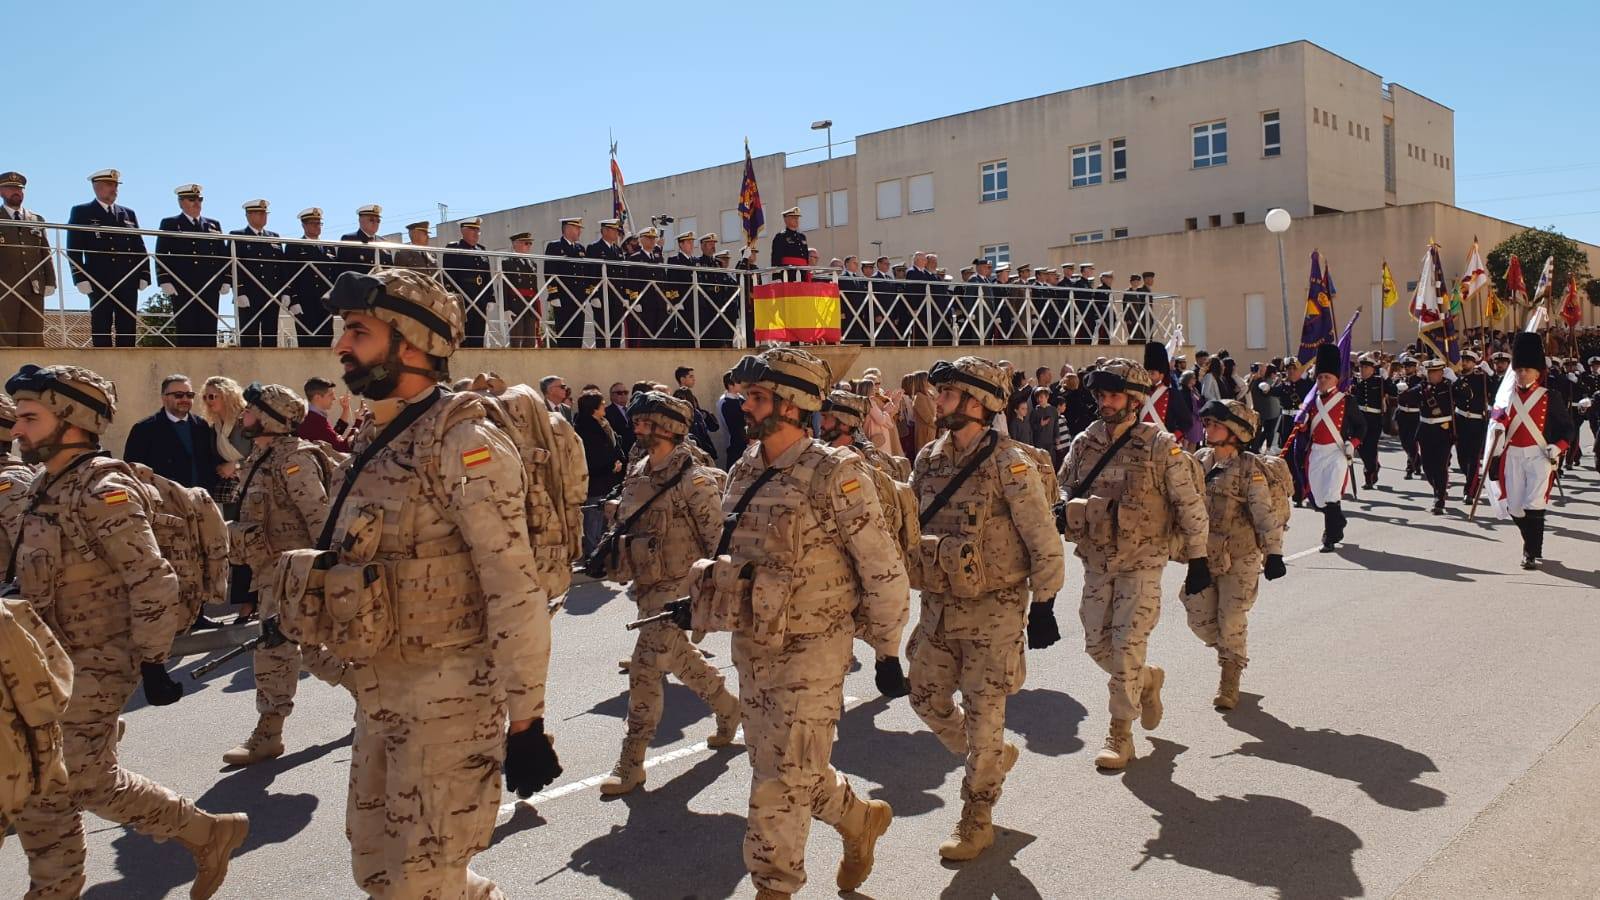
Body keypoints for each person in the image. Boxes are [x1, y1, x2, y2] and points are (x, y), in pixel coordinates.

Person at [317, 267, 560, 897]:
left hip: (449, 705)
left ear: (412, 344)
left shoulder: (464, 443)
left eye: (358, 332)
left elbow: (514, 588)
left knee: (420, 883)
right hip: (379, 696)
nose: (341, 346)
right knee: (375, 870)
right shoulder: (375, 437)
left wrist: (526, 722)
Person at [6, 364, 249, 899]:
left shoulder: (103, 488)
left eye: (29, 417)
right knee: (45, 787)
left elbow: (153, 581)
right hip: (53, 662)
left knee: (79, 778)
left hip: (97, 662)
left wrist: (152, 661)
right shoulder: (47, 485)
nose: (17, 429)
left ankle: (206, 832)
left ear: (71, 420)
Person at [695, 348, 906, 898]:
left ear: (792, 406)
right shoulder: (744, 468)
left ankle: (774, 886)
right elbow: (736, 553)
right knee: (787, 768)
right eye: (747, 396)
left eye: (758, 397)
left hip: (815, 649)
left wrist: (887, 650)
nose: (745, 406)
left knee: (778, 782)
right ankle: (860, 820)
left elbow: (882, 567)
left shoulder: (836, 474)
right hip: (755, 646)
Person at [908, 356, 1064, 860]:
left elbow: (1042, 535)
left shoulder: (1009, 462)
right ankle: (992, 758)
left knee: (983, 715)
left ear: (977, 403)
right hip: (938, 604)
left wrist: (1045, 603)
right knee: (924, 697)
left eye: (948, 394)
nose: (939, 402)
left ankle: (977, 814)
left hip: (994, 608)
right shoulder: (928, 459)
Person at [1057, 358, 1210, 770]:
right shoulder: (1086, 441)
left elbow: (1190, 504)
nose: (1105, 403)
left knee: (1125, 647)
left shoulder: (1162, 447)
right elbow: (1065, 485)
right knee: (1095, 643)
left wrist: (1199, 559)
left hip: (1142, 563)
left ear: (1134, 399)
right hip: (1097, 562)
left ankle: (1120, 734)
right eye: (1101, 395)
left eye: (1113, 395)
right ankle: (1147, 679)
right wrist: (1062, 507)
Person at [597, 391, 739, 795]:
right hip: (647, 583)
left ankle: (632, 760)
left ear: (669, 428)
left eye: (645, 423)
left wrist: (705, 595)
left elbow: (716, 541)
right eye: (638, 422)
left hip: (678, 587)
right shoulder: (640, 470)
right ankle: (729, 707)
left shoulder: (693, 479)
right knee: (676, 657)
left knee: (645, 667)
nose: (637, 428)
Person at [219, 383, 348, 765]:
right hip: (269, 571)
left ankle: (269, 732)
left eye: (250, 411)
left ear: (270, 417)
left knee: (273, 648)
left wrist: (322, 575)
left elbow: (319, 519)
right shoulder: (261, 456)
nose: (244, 416)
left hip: (293, 573)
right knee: (311, 651)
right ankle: (370, 693)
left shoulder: (294, 460)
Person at [1186, 400, 1287, 710]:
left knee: (1231, 617)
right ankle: (1232, 652)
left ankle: (1230, 677)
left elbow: (1263, 513)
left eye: (1215, 424)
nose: (1208, 429)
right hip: (1204, 556)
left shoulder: (1249, 469)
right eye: (1207, 423)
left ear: (1235, 433)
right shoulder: (1199, 461)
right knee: (1198, 615)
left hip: (1241, 557)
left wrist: (1274, 554)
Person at [1489, 332, 1574, 569]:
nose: (1523, 373)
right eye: (1519, 370)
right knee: (1515, 506)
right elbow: (1497, 424)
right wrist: (1497, 422)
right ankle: (1531, 542)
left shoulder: (1550, 397)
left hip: (1539, 455)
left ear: (1538, 372)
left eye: (1528, 369)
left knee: (1534, 504)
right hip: (1513, 456)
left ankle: (1531, 552)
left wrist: (1557, 447)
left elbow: (1568, 429)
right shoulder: (1505, 398)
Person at [66, 169, 147, 347]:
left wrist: (144, 274)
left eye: (116, 186)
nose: (114, 189)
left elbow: (139, 247)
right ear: (97, 187)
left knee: (127, 324)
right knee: (101, 322)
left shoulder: (127, 214)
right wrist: (79, 277)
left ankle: (127, 361)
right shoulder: (82, 212)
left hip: (127, 277)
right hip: (98, 277)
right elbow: (73, 249)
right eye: (110, 185)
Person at [1301, 344, 1365, 551]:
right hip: (1317, 453)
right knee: (1319, 498)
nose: (1321, 380)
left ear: (1336, 379)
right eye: (1319, 377)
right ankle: (1338, 522)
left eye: (1326, 377)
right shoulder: (1311, 403)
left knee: (1331, 495)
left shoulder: (1347, 401)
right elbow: (1306, 428)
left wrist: (1352, 443)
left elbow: (1361, 426)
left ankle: (1330, 536)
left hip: (1336, 452)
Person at [155, 184, 228, 347]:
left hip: (209, 285)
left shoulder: (213, 225)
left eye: (199, 199)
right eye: (192, 199)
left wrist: (225, 280)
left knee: (209, 329)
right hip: (182, 284)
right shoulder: (170, 224)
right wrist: (164, 280)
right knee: (186, 328)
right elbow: (160, 254)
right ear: (181, 203)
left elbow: (223, 255)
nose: (197, 203)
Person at [123, 374, 222, 494]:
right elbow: (133, 471)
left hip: (201, 501)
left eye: (189, 395)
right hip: (165, 503)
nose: (185, 399)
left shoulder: (202, 426)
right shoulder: (144, 429)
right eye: (178, 395)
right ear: (164, 398)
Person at [0, 171, 55, 346]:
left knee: (33, 334)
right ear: (1, 192)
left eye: (19, 189)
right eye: (10, 188)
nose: (16, 192)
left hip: (34, 286)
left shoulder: (36, 219)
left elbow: (45, 252)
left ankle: (33, 372)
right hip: (5, 286)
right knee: (5, 334)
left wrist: (50, 281)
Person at [230, 199, 288, 347]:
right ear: (249, 215)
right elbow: (232, 266)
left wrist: (285, 291)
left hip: (271, 294)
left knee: (271, 338)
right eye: (259, 213)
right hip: (249, 295)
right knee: (249, 338)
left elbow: (282, 268)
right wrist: (239, 290)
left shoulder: (274, 237)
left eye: (265, 213)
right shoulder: (237, 236)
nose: (264, 216)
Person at [576, 390, 625, 554]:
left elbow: (614, 444)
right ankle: (593, 554)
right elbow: (593, 455)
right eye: (602, 403)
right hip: (596, 480)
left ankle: (602, 553)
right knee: (593, 519)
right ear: (594, 407)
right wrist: (611, 464)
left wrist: (618, 460)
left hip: (609, 479)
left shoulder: (603, 423)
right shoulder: (584, 427)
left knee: (606, 519)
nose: (605, 405)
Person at [284, 207, 339, 346]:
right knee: (307, 342)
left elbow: (334, 274)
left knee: (326, 339)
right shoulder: (294, 247)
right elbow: (289, 274)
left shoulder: (328, 247)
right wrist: (293, 300)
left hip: (325, 301)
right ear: (304, 225)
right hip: (304, 301)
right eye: (313, 223)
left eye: (319, 223)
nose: (317, 226)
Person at [198, 376, 249, 510]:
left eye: (212, 396)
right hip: (229, 490)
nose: (208, 401)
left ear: (227, 396)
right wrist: (221, 468)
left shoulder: (246, 420)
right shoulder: (214, 427)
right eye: (205, 397)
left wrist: (237, 465)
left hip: (255, 484)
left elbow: (265, 451)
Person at [1414, 360, 1456, 514]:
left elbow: (1467, 396)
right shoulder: (1423, 387)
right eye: (1429, 372)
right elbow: (1407, 398)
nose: (1431, 375)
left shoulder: (1449, 387)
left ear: (1441, 373)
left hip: (1443, 431)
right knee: (1427, 467)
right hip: (1425, 430)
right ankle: (1438, 489)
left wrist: (1456, 381)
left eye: (1434, 372)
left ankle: (1439, 498)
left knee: (1441, 465)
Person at [443, 217, 492, 347]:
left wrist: (490, 297)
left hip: (480, 297)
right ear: (463, 231)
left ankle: (478, 365)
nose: (476, 234)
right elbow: (448, 275)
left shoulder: (482, 250)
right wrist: (451, 295)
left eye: (478, 231)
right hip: (463, 298)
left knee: (479, 335)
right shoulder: (454, 248)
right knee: (464, 336)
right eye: (473, 230)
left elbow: (487, 276)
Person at [1349, 354, 1393, 490]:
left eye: (1366, 367)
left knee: (1371, 447)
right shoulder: (1355, 382)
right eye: (1361, 367)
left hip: (1374, 419)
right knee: (1361, 448)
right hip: (1359, 419)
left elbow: (1394, 392)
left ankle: (1369, 476)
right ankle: (1374, 466)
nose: (1362, 370)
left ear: (1373, 369)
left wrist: (1387, 379)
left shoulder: (1379, 382)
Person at [543, 217, 588, 348]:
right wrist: (553, 295)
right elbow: (549, 271)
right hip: (563, 297)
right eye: (577, 228)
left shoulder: (581, 248)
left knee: (578, 333)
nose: (579, 232)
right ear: (567, 229)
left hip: (579, 297)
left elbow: (584, 274)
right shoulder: (554, 246)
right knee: (564, 334)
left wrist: (586, 294)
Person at [1453, 350, 1491, 499]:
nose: (1464, 363)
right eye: (1462, 360)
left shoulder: (1481, 378)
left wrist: (1491, 374)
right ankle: (1472, 479)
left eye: (1467, 361)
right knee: (1462, 458)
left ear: (1474, 363)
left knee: (1473, 457)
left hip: (1476, 422)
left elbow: (1496, 390)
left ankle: (1470, 491)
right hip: (1460, 420)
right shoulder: (1456, 377)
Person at [1140, 342, 1195, 441]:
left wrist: (1173, 437)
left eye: (1152, 373)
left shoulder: (1172, 394)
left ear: (1161, 374)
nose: (1148, 377)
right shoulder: (1140, 393)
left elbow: (1186, 422)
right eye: (1146, 373)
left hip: (1163, 444)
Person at [502, 232, 540, 348]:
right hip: (515, 306)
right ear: (515, 244)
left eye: (530, 243)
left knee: (530, 341)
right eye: (526, 243)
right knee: (516, 341)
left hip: (530, 306)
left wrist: (536, 307)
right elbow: (503, 286)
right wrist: (506, 308)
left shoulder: (532, 263)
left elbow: (534, 287)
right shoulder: (507, 262)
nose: (529, 246)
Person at [298, 376, 355, 453]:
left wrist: (346, 409)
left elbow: (331, 437)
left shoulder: (311, 415)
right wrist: (358, 423)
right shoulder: (314, 420)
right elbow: (341, 448)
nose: (334, 398)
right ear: (317, 397)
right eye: (330, 395)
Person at [335, 204, 390, 275]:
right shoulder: (349, 240)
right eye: (371, 220)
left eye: (378, 221)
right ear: (360, 220)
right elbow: (345, 270)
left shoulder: (384, 242)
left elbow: (389, 269)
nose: (375, 223)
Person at [1393, 356, 1423, 479]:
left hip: (1414, 414)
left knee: (1412, 442)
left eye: (1410, 366)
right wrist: (1391, 381)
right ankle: (1417, 461)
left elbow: (1418, 393)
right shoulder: (1399, 379)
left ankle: (1410, 468)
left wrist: (1408, 390)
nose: (1407, 368)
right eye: (1405, 366)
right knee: (1404, 442)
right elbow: (1392, 393)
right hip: (1402, 414)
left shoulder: (1419, 380)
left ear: (1415, 367)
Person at [770, 207, 809, 282]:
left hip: (802, 272)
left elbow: (806, 256)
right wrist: (776, 276)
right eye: (794, 218)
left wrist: (807, 270)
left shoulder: (802, 236)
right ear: (786, 220)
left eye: (797, 218)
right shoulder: (781, 236)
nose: (797, 220)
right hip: (789, 273)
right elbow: (776, 258)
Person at [719, 370, 748, 467]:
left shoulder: (740, 399)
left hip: (745, 444)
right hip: (736, 445)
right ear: (730, 385)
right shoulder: (726, 403)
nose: (741, 384)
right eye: (738, 382)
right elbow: (735, 427)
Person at [606, 382, 636, 457]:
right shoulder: (607, 412)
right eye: (619, 393)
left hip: (634, 453)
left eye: (625, 392)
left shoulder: (633, 410)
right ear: (612, 395)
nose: (623, 395)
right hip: (619, 454)